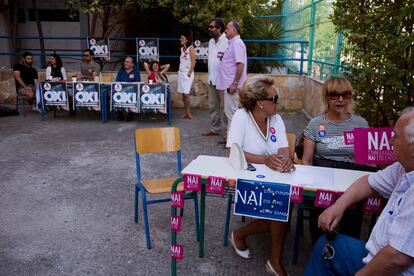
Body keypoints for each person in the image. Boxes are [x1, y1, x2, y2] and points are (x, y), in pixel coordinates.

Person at [305, 107, 414, 275]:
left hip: (388, 267)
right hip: (374, 253)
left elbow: (396, 259)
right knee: (324, 244)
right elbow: (369, 182)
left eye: (396, 136)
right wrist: (338, 206)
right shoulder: (403, 168)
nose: (390, 141)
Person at [227, 76, 294, 276]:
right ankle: (241, 236)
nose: (277, 102)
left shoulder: (276, 119)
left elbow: (283, 149)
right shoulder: (241, 116)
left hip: (275, 179)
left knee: (279, 209)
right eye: (274, 99)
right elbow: (232, 151)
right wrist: (265, 160)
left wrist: (287, 159)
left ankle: (273, 259)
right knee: (280, 212)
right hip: (247, 178)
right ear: (260, 103)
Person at [301, 76, 370, 244]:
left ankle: (345, 255)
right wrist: (311, 188)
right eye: (334, 95)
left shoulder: (361, 124)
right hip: (323, 183)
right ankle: (321, 251)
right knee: (320, 232)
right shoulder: (315, 124)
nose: (340, 99)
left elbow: (366, 162)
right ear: (326, 97)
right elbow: (307, 161)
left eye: (345, 95)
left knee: (350, 233)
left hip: (352, 185)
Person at [216, 20, 247, 144]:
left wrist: (234, 83)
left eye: (228, 28)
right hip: (228, 84)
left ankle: (233, 142)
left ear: (234, 30)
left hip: (231, 85)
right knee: (230, 113)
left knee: (232, 115)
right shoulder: (233, 43)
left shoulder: (237, 43)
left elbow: (240, 64)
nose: (225, 30)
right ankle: (230, 138)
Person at [201, 18, 229, 137]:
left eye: (212, 27)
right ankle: (215, 128)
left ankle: (229, 132)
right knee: (213, 106)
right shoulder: (211, 42)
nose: (210, 29)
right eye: (210, 26)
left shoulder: (227, 41)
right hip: (212, 79)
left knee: (225, 107)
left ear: (219, 28)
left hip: (223, 80)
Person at [115, 56, 141, 121]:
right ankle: (120, 114)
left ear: (132, 64)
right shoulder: (121, 71)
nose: (125, 63)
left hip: (131, 91)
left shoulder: (136, 72)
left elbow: (137, 84)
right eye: (125, 62)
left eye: (127, 62)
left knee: (132, 95)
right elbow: (117, 82)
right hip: (121, 91)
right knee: (113, 93)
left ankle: (130, 114)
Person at [177, 32, 196, 119]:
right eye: (180, 38)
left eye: (182, 38)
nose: (180, 40)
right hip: (181, 73)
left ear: (187, 40)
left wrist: (189, 73)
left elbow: (193, 61)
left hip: (187, 74)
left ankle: (189, 113)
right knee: (183, 94)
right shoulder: (181, 49)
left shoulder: (191, 48)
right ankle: (186, 112)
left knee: (186, 94)